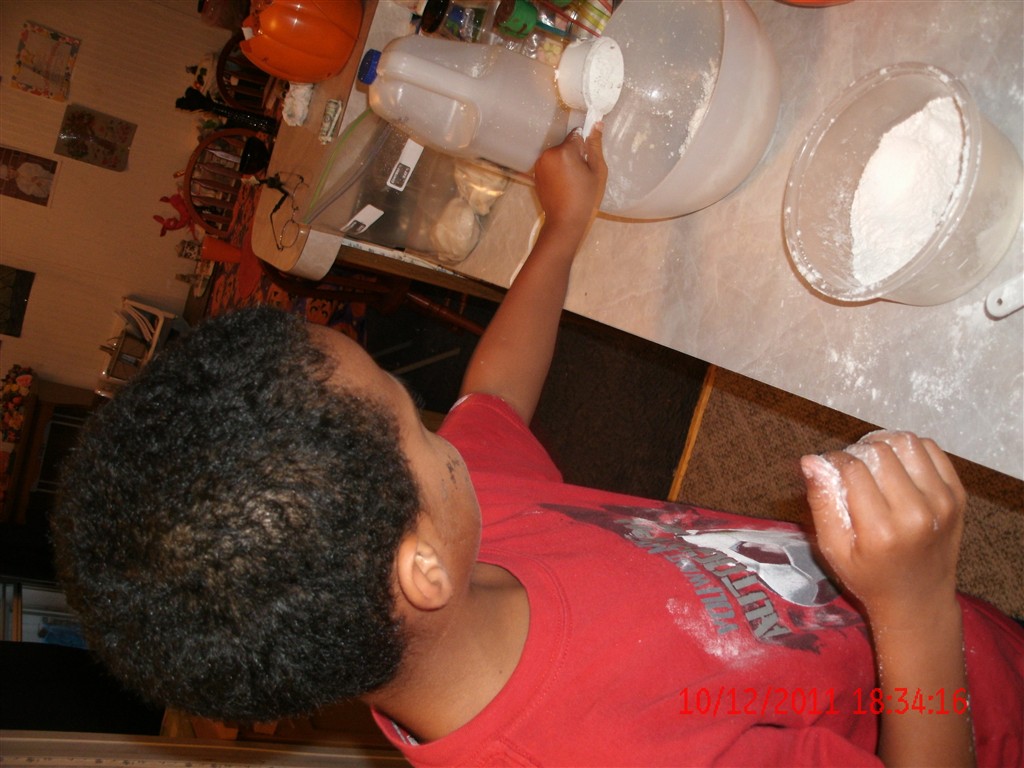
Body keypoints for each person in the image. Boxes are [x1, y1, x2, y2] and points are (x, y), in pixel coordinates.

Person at [53, 127, 1022, 766]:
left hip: (962, 629)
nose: (446, 430)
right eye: (415, 420)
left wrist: (560, 232)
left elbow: (492, 397)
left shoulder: (437, 550)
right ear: (418, 567)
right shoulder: (593, 752)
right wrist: (911, 605)